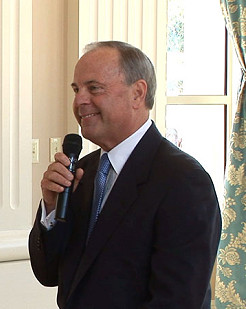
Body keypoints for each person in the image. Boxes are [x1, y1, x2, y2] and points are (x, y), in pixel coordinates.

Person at [28, 41, 221, 308]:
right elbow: (48, 274)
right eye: (76, 89)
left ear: (137, 93)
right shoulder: (82, 172)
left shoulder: (183, 180)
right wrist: (51, 208)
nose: (79, 100)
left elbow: (178, 300)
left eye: (93, 88)